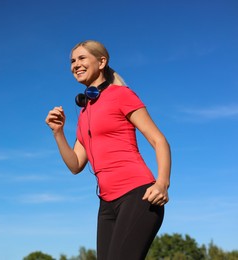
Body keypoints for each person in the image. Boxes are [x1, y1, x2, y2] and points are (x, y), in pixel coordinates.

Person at [45, 40, 171, 260]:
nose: (76, 64)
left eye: (82, 58)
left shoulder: (121, 95)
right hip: (106, 205)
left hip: (137, 195)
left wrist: (162, 183)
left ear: (102, 61)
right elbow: (75, 164)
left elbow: (159, 140)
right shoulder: (84, 114)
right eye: (72, 61)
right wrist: (58, 133)